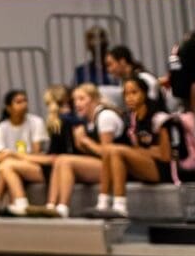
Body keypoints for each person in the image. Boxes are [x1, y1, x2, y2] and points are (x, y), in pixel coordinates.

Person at [44, 83, 127, 218]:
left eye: (82, 99)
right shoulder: (88, 120)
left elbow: (107, 153)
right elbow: (91, 153)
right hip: (102, 164)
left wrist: (86, 141)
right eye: (75, 100)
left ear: (94, 99)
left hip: (117, 168)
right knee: (60, 159)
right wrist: (80, 143)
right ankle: (51, 206)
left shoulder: (105, 117)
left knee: (65, 161)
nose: (77, 104)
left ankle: (63, 207)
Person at [95, 76, 174, 217]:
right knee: (109, 150)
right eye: (126, 94)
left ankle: (120, 206)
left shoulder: (159, 118)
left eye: (134, 92)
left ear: (144, 93)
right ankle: (102, 203)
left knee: (116, 150)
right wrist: (140, 151)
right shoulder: (132, 118)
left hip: (163, 169)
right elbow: (137, 149)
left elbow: (165, 156)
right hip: (144, 164)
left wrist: (140, 151)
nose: (129, 98)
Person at [0, 90, 50, 216]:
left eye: (25, 101)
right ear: (9, 108)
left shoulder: (36, 122)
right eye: (18, 102)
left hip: (37, 167)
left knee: (6, 165)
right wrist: (16, 158)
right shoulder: (0, 128)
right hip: (17, 168)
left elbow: (36, 154)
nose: (24, 105)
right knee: (6, 166)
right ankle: (18, 203)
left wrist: (12, 155)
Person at [105, 45, 166, 109]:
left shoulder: (144, 77)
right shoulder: (123, 81)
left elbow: (153, 104)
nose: (108, 70)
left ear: (122, 61)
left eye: (110, 64)